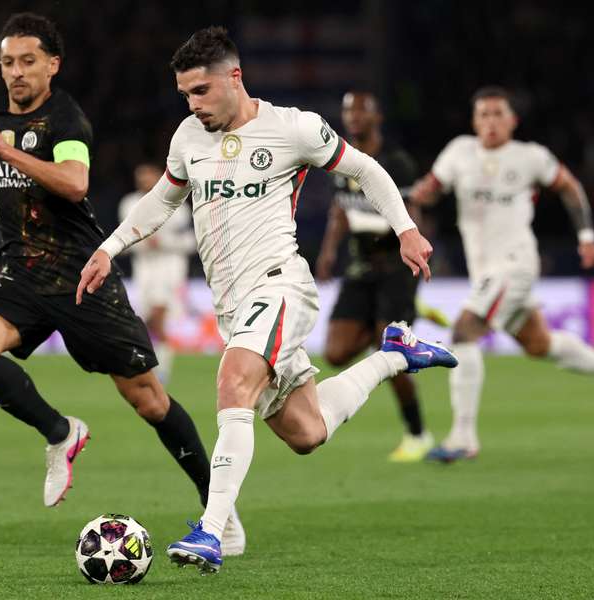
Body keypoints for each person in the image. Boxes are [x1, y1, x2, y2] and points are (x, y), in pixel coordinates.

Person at [77, 27, 458, 574]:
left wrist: (404, 230)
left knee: (232, 382)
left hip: (280, 284)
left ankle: (212, 531)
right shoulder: (188, 135)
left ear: (235, 77)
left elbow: (366, 169)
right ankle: (397, 353)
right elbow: (162, 198)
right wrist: (109, 249)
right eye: (185, 93)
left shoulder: (293, 128)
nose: (193, 104)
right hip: (233, 306)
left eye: (201, 91)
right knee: (307, 432)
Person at [0, 13, 246, 554]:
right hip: (23, 277)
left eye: (28, 61)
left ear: (53, 65)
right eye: (7, 62)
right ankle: (61, 432)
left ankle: (219, 511)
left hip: (81, 278)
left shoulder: (66, 119)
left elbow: (74, 182)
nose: (16, 72)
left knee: (150, 402)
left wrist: (8, 151)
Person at [408, 86, 594, 463]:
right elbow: (432, 189)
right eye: (483, 114)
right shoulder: (458, 152)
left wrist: (586, 236)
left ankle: (463, 437)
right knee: (539, 344)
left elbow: (569, 186)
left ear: (513, 120)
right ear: (474, 121)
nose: (490, 122)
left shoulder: (531, 157)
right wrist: (422, 193)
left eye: (498, 114)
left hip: (516, 263)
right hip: (485, 270)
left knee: (464, 331)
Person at [315, 91, 434, 462]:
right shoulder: (341, 159)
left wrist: (413, 251)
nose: (352, 116)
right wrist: (328, 250)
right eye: (347, 109)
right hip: (360, 269)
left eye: (360, 110)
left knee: (392, 353)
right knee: (335, 353)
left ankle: (418, 434)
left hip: (395, 269)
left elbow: (413, 210)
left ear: (377, 117)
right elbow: (340, 209)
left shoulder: (396, 162)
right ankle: (400, 319)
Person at [119, 163, 195, 384]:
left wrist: (162, 242)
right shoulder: (130, 204)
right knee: (147, 319)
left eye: (148, 176)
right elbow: (124, 239)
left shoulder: (179, 206)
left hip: (169, 269)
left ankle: (158, 368)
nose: (144, 181)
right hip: (144, 269)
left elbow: (191, 242)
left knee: (159, 314)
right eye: (140, 177)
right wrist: (144, 244)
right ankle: (158, 360)